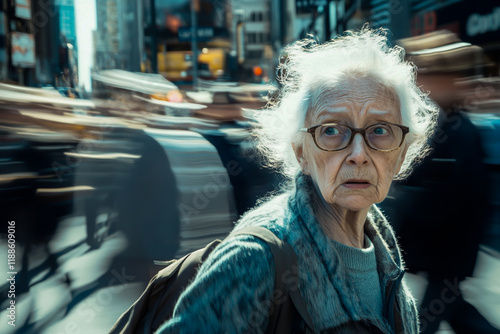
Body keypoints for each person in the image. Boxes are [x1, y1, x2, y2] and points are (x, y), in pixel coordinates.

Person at [155, 28, 438, 333]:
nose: (359, 154)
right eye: (331, 130)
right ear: (301, 151)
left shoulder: (383, 245)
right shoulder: (255, 258)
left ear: (401, 153)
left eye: (380, 130)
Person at [381, 31, 499, 333]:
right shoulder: (445, 124)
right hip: (444, 256)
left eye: (426, 77)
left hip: (449, 254)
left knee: (425, 320)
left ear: (446, 81)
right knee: (458, 313)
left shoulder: (458, 132)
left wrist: (408, 206)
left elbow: (453, 199)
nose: (421, 85)